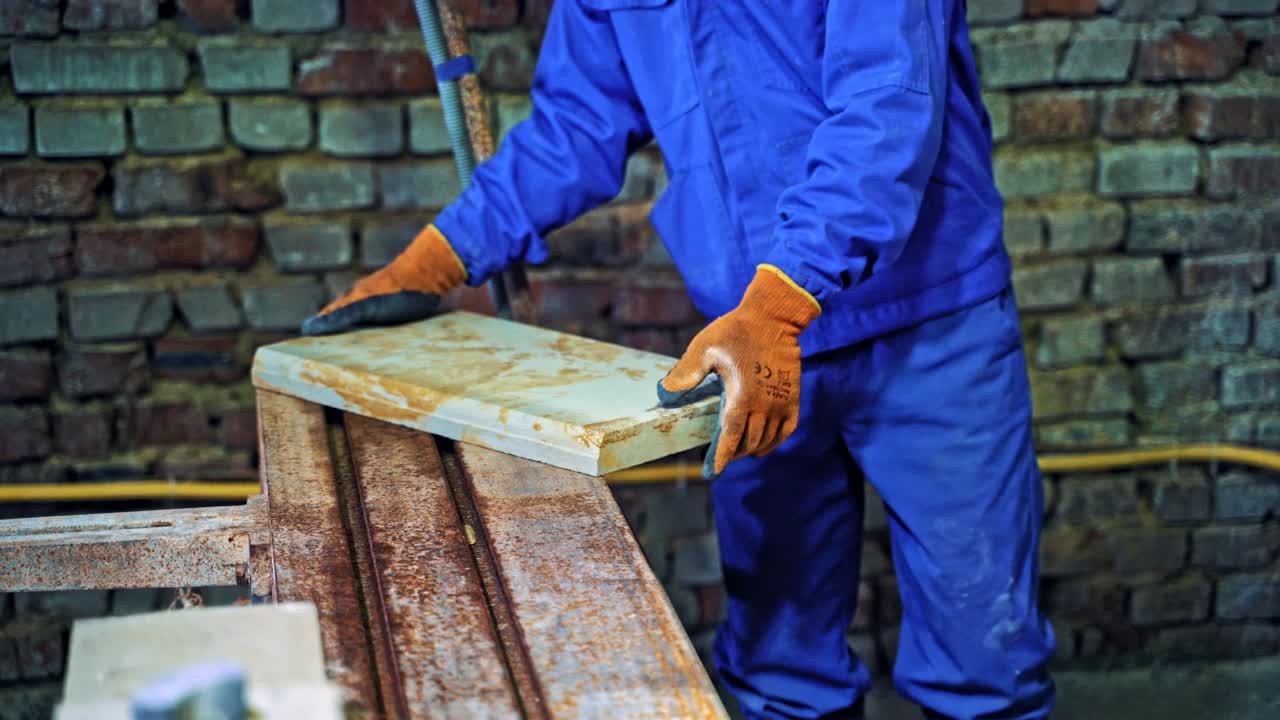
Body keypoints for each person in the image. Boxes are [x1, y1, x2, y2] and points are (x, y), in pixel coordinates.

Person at [303, 2, 1057, 718]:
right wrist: (436, 259)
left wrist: (780, 304)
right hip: (751, 341)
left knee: (983, 655)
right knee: (781, 663)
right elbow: (577, 124)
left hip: (926, 321)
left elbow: (886, 103)